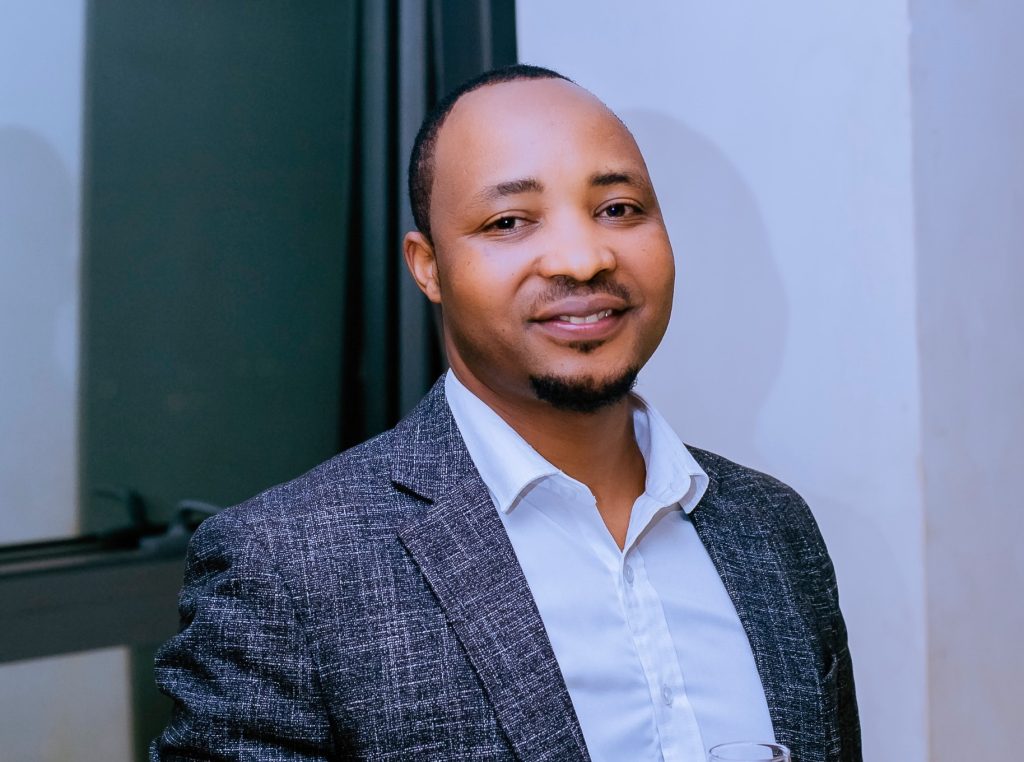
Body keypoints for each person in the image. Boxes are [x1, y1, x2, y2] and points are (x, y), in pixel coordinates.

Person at [151, 65, 860, 762]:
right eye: (509, 221)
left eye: (618, 209)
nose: (583, 259)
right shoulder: (284, 566)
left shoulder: (773, 530)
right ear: (427, 266)